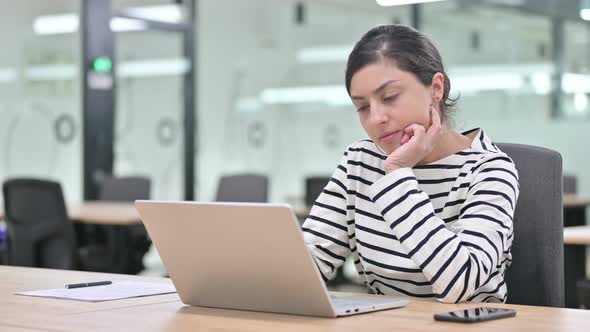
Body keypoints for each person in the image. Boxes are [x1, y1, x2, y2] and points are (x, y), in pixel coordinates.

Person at [302, 24, 519, 303]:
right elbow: (308, 264)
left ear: (435, 89)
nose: (376, 118)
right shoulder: (360, 162)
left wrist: (396, 174)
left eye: (389, 97)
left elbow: (461, 282)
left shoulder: (490, 170)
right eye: (363, 107)